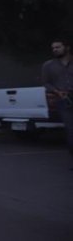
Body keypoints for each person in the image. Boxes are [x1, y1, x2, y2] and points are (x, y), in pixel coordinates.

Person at [41, 38, 73, 166]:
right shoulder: (48, 65)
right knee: (71, 130)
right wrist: (57, 91)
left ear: (67, 47)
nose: (55, 50)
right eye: (53, 48)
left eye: (58, 47)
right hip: (64, 100)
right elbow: (46, 83)